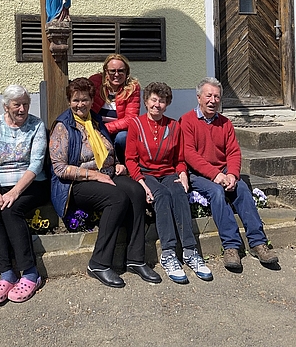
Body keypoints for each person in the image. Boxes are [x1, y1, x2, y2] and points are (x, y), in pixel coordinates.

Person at [50, 77, 161, 288]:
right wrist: (95, 175)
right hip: (76, 184)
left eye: (84, 100)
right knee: (117, 198)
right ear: (69, 101)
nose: (80, 104)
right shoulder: (63, 126)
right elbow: (60, 169)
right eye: (75, 100)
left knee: (136, 191)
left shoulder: (96, 120)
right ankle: (99, 263)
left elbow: (107, 148)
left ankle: (135, 258)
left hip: (107, 175)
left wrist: (118, 163)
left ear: (92, 100)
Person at [179, 77, 279, 270]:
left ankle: (258, 243)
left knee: (241, 189)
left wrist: (232, 174)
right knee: (217, 192)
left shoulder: (225, 123)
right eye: (208, 95)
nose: (213, 100)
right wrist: (216, 175)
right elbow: (189, 154)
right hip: (198, 173)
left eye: (217, 96)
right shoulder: (187, 121)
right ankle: (231, 246)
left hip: (223, 170)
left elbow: (233, 152)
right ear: (199, 97)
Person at [126, 82, 213, 284]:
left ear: (167, 104)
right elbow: (130, 159)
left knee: (179, 192)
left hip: (168, 172)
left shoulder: (174, 126)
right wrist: (141, 182)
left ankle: (190, 251)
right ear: (146, 101)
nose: (157, 105)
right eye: (154, 100)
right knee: (162, 196)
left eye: (162, 101)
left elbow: (179, 159)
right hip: (145, 173)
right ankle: (169, 253)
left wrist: (182, 173)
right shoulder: (135, 125)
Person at [0, 85, 49, 304]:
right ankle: (6, 273)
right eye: (17, 104)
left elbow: (36, 164)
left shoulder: (36, 125)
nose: (22, 109)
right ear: (6, 106)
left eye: (25, 104)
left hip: (30, 183)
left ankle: (29, 272)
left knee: (11, 208)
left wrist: (15, 192)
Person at [89, 54, 140, 165]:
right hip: (95, 127)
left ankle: (123, 164)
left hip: (117, 131)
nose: (116, 74)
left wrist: (105, 128)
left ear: (127, 72)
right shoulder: (95, 82)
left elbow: (131, 119)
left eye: (121, 71)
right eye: (112, 71)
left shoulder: (133, 87)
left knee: (123, 137)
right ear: (106, 72)